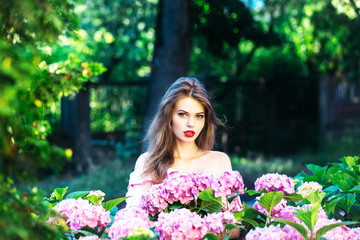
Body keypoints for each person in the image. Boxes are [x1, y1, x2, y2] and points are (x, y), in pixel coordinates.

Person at [125, 77, 234, 206]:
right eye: (183, 114)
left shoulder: (219, 161)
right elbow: (134, 217)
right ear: (168, 116)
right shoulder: (148, 162)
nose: (191, 124)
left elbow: (234, 222)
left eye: (199, 116)